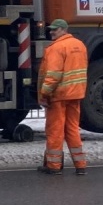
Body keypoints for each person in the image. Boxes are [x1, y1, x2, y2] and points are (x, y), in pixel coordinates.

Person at [38, 18, 89, 176]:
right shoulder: (80, 45)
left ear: (63, 30)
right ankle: (80, 165)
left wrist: (45, 93)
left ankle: (54, 166)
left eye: (55, 29)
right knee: (72, 129)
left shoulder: (56, 48)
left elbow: (53, 74)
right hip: (75, 94)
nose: (52, 32)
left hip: (59, 95)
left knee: (55, 131)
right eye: (51, 29)